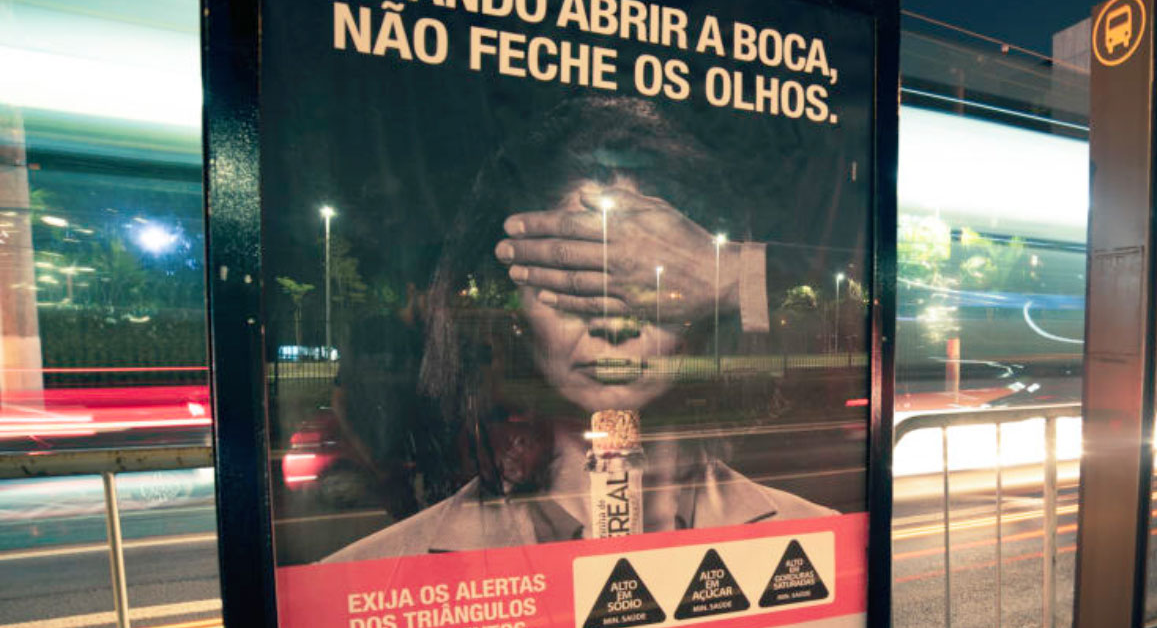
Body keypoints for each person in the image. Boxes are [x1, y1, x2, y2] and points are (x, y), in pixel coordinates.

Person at [326, 97, 833, 562]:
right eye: (576, 287)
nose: (613, 325)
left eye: (651, 283)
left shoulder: (817, 541)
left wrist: (739, 275)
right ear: (513, 314)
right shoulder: (371, 574)